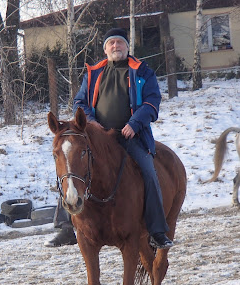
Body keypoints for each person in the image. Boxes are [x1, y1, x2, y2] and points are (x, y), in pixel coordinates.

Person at [45, 27, 173, 249]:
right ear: (105, 49)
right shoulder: (94, 73)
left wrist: (134, 124)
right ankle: (65, 228)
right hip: (97, 138)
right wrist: (92, 122)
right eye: (111, 43)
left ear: (127, 46)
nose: (116, 46)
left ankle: (156, 231)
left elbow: (152, 102)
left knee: (149, 173)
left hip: (131, 136)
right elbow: (79, 102)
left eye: (120, 43)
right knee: (71, 167)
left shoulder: (142, 72)